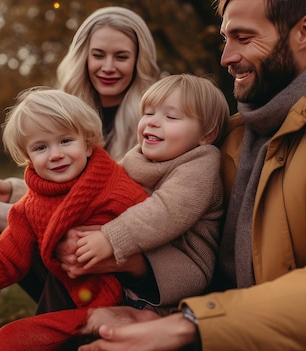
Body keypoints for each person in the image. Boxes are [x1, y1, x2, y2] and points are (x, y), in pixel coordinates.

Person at [76, 0, 306, 350]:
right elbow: (150, 201)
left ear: (305, 32)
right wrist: (153, 315)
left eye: (243, 37)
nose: (226, 57)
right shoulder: (228, 137)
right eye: (226, 38)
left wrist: (190, 326)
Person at [0, 7, 162, 351]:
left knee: (55, 243)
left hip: (118, 275)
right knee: (17, 244)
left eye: (121, 56)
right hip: (71, 269)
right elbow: (50, 197)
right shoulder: (63, 106)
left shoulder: (153, 120)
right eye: (98, 55)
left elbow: (150, 214)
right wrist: (9, 191)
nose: (108, 66)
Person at [0, 87, 149, 350]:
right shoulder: (30, 206)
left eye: (65, 141)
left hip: (130, 303)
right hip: (76, 303)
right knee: (6, 341)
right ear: (28, 158)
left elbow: (154, 237)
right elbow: (7, 256)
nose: (55, 154)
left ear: (87, 145)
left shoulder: (116, 189)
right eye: (41, 147)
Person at [73, 74, 228, 316]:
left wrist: (112, 238)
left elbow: (165, 210)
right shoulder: (139, 157)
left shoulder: (201, 165)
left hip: (180, 267)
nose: (153, 122)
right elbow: (98, 183)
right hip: (139, 252)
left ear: (206, 135)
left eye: (171, 116)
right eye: (148, 113)